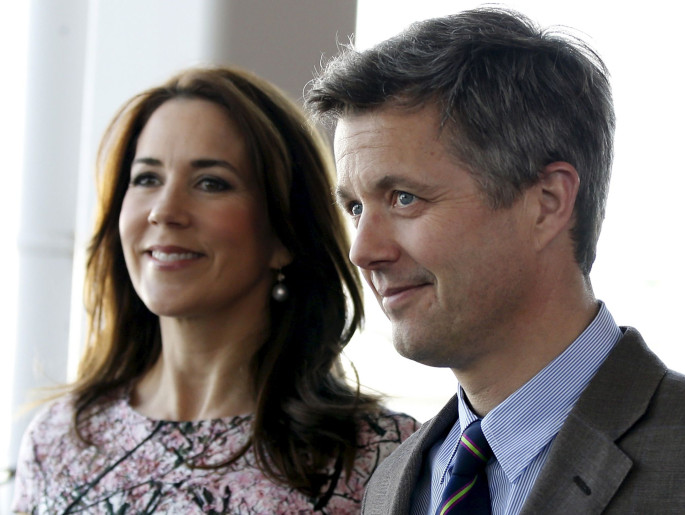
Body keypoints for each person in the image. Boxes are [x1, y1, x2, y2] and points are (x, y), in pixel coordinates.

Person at [306, 7, 685, 514]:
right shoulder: (392, 482)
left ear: (548, 202)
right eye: (355, 207)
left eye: (403, 198)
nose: (363, 250)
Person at [12, 66, 417, 514]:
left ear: (284, 236)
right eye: (147, 178)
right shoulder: (58, 441)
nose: (164, 211)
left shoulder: (379, 456)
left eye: (211, 183)